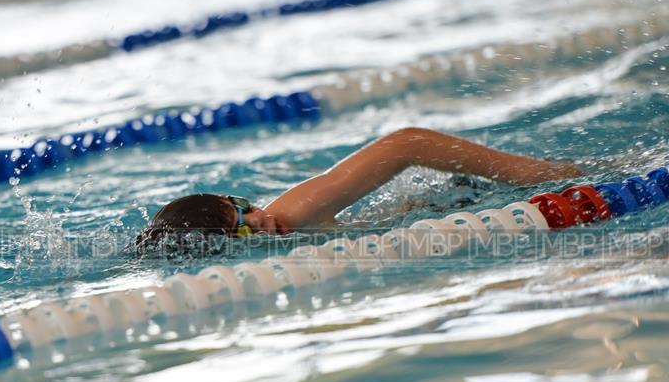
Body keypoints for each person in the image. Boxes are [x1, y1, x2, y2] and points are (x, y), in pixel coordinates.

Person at [129, 127, 581, 254]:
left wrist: (538, 175)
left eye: (242, 208)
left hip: (472, 199)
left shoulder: (295, 213)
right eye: (243, 231)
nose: (260, 220)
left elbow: (407, 143)